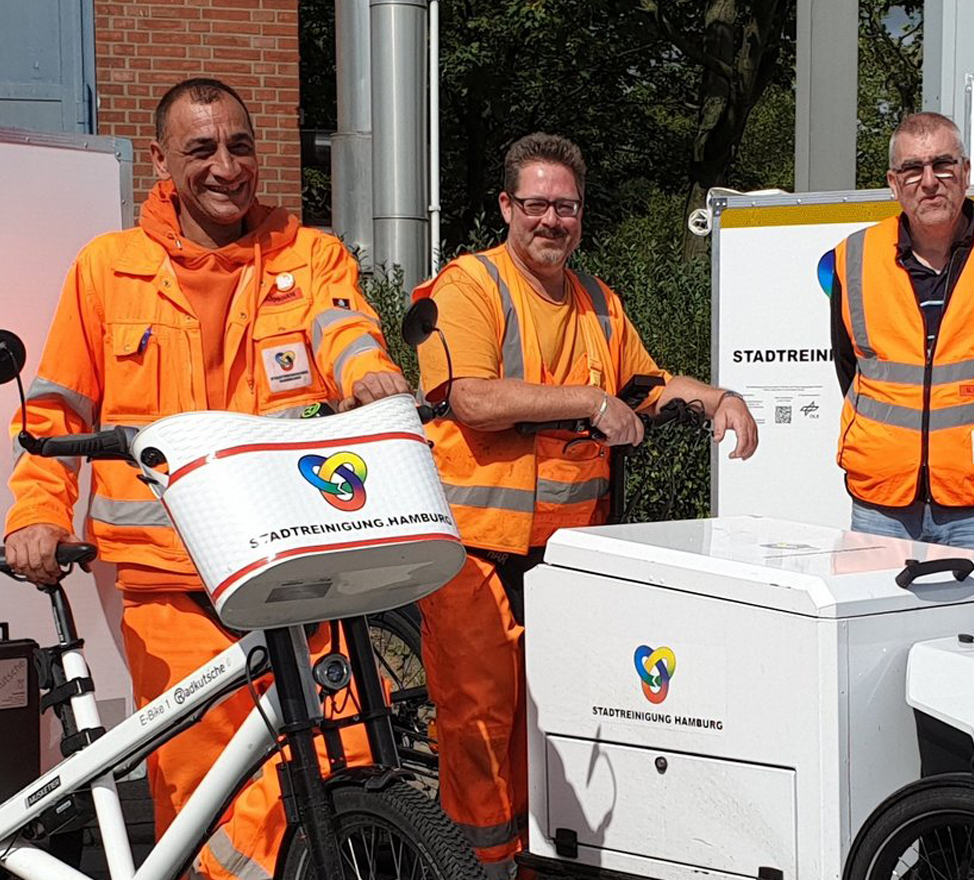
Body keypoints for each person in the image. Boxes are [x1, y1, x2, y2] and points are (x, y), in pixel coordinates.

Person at [4, 78, 410, 880]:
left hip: (295, 565)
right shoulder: (108, 270)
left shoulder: (308, 252)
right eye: (201, 150)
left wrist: (370, 376)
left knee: (351, 747)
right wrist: (36, 516)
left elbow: (346, 329)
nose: (226, 166)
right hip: (168, 582)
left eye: (240, 145)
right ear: (160, 161)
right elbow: (55, 418)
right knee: (213, 785)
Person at [414, 132, 758, 877]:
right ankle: (479, 868)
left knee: (560, 721)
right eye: (535, 204)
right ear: (505, 206)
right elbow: (470, 396)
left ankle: (538, 860)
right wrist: (590, 401)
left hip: (569, 557)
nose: (551, 220)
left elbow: (645, 384)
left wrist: (720, 398)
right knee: (481, 722)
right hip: (478, 549)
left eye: (564, 207)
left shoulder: (599, 300)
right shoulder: (468, 286)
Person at [827, 111, 974, 554]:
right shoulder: (854, 257)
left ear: (965, 173)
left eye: (942, 164)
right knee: (880, 622)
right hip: (882, 501)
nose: (929, 181)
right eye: (912, 169)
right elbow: (850, 366)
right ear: (894, 184)